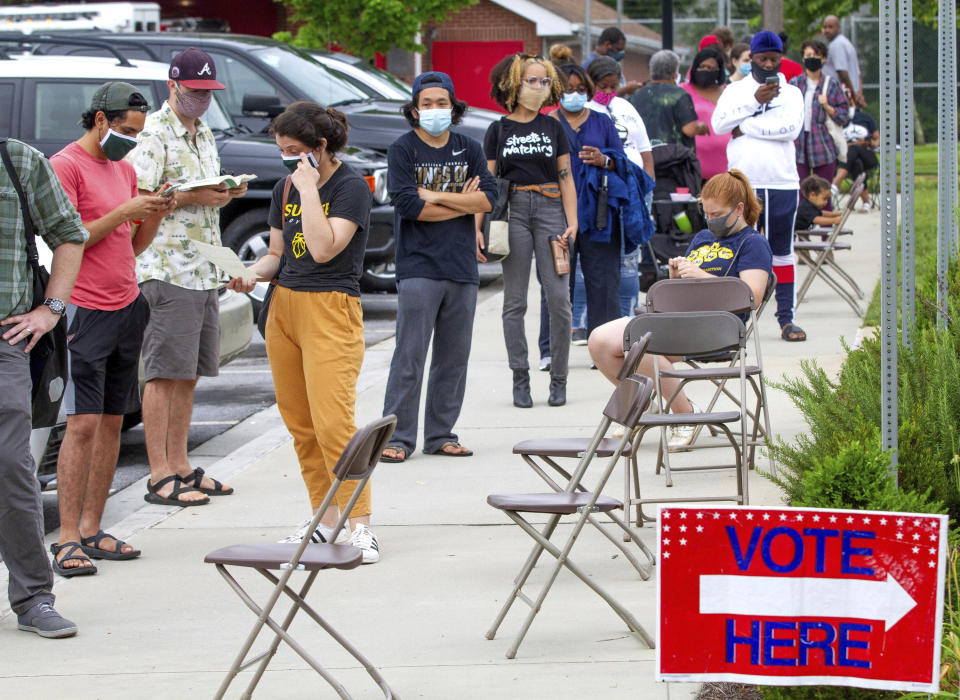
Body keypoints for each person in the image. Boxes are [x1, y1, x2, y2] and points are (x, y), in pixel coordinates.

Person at [228, 102, 379, 561]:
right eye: (281, 151)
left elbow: (322, 248)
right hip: (284, 307)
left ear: (320, 147)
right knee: (302, 424)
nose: (287, 160)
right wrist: (252, 272)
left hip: (330, 306)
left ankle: (361, 524)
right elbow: (280, 253)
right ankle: (323, 518)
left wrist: (310, 189)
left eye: (294, 151)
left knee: (334, 422)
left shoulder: (350, 187)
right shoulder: (285, 187)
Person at [48, 83, 175, 576]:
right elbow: (68, 240)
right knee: (80, 423)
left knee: (111, 423)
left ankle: (93, 528)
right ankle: (65, 538)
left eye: (137, 134)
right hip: (84, 308)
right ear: (99, 120)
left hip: (126, 302)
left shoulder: (123, 169)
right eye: (124, 130)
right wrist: (122, 212)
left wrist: (155, 215)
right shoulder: (65, 166)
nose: (130, 141)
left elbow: (133, 247)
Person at [128, 48, 247, 506]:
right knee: (163, 373)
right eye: (194, 92)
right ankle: (160, 475)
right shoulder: (154, 134)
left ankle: (180, 464)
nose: (201, 100)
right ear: (172, 85)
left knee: (190, 373)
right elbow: (141, 203)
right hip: (166, 268)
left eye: (208, 93)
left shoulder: (205, 133)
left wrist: (224, 192)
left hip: (202, 269)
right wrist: (197, 194)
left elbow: (205, 208)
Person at [587, 169, 771, 445]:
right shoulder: (702, 239)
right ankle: (642, 402)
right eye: (706, 214)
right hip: (675, 319)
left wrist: (701, 277)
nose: (710, 220)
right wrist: (677, 278)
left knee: (644, 340)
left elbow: (751, 296)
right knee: (599, 341)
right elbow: (687, 287)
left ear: (739, 209)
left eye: (717, 214)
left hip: (718, 330)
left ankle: (684, 414)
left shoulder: (753, 244)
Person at [379, 72, 496, 462]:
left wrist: (433, 195)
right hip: (417, 267)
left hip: (462, 265)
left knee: (454, 357)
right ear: (414, 109)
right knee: (409, 356)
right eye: (426, 103)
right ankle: (396, 438)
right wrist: (458, 201)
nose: (434, 110)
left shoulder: (470, 147)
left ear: (453, 106)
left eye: (441, 102)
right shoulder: (402, 150)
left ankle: (440, 434)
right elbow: (409, 206)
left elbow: (487, 201)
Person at [0, 138, 86, 637]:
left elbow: (69, 235)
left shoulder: (20, 160)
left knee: (12, 467)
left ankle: (33, 597)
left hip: (6, 340)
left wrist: (50, 309)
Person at [484, 53, 577, 408]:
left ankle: (559, 378)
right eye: (530, 80)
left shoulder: (554, 127)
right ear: (512, 84)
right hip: (514, 212)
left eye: (543, 81)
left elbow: (565, 176)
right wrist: (481, 227)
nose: (537, 87)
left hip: (552, 209)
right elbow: (490, 184)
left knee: (559, 300)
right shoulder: (498, 129)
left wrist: (573, 222)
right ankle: (519, 377)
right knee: (515, 301)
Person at [712, 30, 806, 342]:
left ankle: (786, 319)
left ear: (781, 60)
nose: (768, 64)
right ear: (751, 57)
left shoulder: (792, 93)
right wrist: (753, 103)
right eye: (762, 59)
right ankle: (732, 323)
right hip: (743, 183)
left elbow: (790, 130)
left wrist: (746, 127)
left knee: (782, 250)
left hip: (781, 181)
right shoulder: (736, 91)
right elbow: (719, 125)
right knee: (737, 250)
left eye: (774, 60)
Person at [552, 63, 628, 353]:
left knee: (604, 283)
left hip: (600, 214)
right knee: (558, 284)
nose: (574, 94)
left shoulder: (602, 122)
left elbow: (622, 165)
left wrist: (603, 160)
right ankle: (553, 351)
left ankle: (606, 349)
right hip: (558, 213)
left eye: (580, 89)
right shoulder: (549, 122)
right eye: (568, 89)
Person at [789, 39, 850, 187]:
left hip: (823, 144)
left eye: (816, 55)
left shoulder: (831, 84)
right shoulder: (795, 84)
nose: (812, 58)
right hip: (798, 145)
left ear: (823, 59)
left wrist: (828, 106)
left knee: (823, 192)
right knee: (800, 191)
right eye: (808, 55)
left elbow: (844, 116)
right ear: (803, 58)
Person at [629, 50, 708, 151]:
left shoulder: (637, 95)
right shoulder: (679, 94)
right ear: (674, 74)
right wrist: (701, 128)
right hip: (674, 159)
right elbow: (689, 130)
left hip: (644, 156)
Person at [681, 47, 731, 181]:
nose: (705, 71)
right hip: (693, 169)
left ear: (719, 71)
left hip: (727, 169)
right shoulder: (682, 91)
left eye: (710, 68)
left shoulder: (730, 92)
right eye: (701, 66)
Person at [834, 105, 879, 212]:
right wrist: (850, 144)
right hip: (846, 157)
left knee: (855, 148)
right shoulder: (837, 119)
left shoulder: (866, 118)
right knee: (857, 164)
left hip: (867, 156)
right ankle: (866, 203)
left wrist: (868, 143)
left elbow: (877, 140)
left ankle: (836, 183)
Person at [582, 27, 642, 97]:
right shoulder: (591, 66)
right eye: (618, 49)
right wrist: (625, 90)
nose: (620, 54)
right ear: (607, 44)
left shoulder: (611, 65)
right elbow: (597, 96)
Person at [822, 15, 865, 107]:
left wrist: (852, 97)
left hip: (842, 99)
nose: (827, 30)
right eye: (825, 27)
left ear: (838, 28)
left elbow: (842, 73)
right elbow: (858, 75)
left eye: (830, 27)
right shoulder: (845, 42)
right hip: (850, 95)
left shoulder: (837, 45)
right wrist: (859, 95)